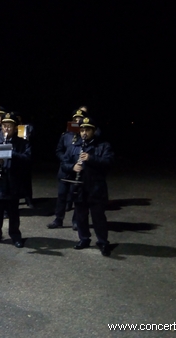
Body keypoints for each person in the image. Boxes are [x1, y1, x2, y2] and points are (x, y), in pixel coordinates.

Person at [61, 117, 114, 256]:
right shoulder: (75, 146)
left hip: (96, 187)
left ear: (94, 131)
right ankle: (84, 239)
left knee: (98, 217)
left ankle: (103, 242)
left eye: (87, 130)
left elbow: (108, 162)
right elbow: (64, 163)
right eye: (82, 130)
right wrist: (73, 167)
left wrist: (91, 158)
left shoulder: (103, 145)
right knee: (81, 217)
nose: (84, 133)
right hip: (79, 188)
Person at [0, 112, 31, 248]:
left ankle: (15, 235)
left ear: (15, 128)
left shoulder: (22, 143)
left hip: (13, 182)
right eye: (4, 126)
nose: (7, 129)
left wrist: (11, 154)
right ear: (1, 127)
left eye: (10, 126)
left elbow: (27, 159)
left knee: (14, 213)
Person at [47, 109, 86, 229]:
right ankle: (58, 219)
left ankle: (76, 221)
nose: (77, 121)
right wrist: (64, 159)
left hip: (78, 171)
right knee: (61, 197)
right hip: (65, 170)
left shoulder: (85, 135)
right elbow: (59, 150)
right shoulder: (66, 135)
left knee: (77, 198)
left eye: (80, 119)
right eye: (75, 119)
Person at [12, 111, 35, 208]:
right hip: (14, 154)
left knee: (26, 180)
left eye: (18, 117)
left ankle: (28, 199)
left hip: (23, 152)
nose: (18, 119)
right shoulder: (11, 127)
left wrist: (26, 132)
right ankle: (14, 201)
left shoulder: (28, 126)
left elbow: (31, 135)